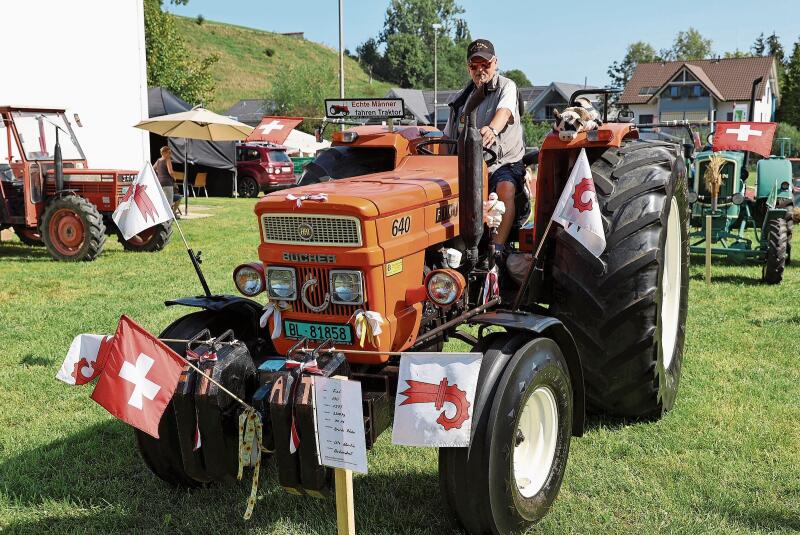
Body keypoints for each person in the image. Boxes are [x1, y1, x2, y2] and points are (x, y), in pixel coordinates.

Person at [444, 39, 529, 252]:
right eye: (475, 66)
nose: (480, 70)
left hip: (502, 162)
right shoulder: (461, 100)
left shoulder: (506, 86)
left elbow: (505, 111)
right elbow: (447, 137)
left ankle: (497, 250)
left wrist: (492, 129)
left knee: (505, 188)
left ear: (495, 63)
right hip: (469, 168)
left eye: (485, 64)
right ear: (468, 68)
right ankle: (452, 251)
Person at [154, 146, 182, 217]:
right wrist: (174, 177)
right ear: (164, 153)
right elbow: (170, 172)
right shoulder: (167, 160)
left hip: (160, 183)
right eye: (169, 152)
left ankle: (163, 216)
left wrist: (159, 173)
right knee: (169, 201)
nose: (170, 154)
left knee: (162, 200)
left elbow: (153, 168)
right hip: (167, 183)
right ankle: (169, 217)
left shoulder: (158, 161)